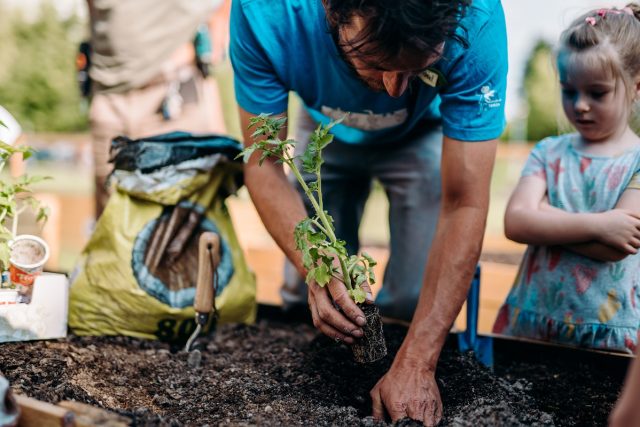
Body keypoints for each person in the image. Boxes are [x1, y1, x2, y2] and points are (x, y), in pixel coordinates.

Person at [230, 0, 507, 424]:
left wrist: (418, 363)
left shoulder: (479, 19)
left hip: (422, 134)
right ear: (332, 10)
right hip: (323, 126)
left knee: (416, 300)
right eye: (375, 62)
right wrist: (313, 264)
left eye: (416, 67)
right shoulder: (266, 11)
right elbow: (264, 163)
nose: (395, 88)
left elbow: (465, 201)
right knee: (311, 297)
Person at [493, 4, 640, 354]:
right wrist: (602, 224)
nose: (580, 105)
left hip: (607, 338)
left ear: (636, 87)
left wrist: (544, 217)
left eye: (597, 92)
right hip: (532, 324)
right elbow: (516, 222)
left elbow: (616, 245)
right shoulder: (549, 151)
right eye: (568, 90)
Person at [86, 0, 230, 218]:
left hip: (172, 91)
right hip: (109, 94)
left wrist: (217, 30)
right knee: (111, 224)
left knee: (183, 224)